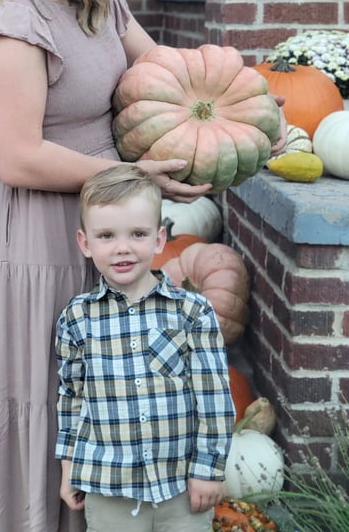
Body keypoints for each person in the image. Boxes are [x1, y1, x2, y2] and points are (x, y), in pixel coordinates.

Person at [0, 0, 225, 532]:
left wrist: (233, 108)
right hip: (41, 229)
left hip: (108, 219)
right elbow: (17, 158)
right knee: (48, 390)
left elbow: (161, 66)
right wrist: (136, 178)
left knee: (111, 385)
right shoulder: (10, 22)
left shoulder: (99, 0)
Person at [56, 164, 235, 531]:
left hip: (181, 488)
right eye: (106, 235)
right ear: (85, 243)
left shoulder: (191, 312)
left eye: (137, 233)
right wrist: (70, 468)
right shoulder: (77, 318)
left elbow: (214, 397)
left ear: (159, 239)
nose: (123, 248)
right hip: (110, 489)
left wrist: (208, 470)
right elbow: (71, 400)